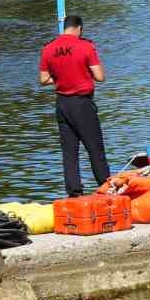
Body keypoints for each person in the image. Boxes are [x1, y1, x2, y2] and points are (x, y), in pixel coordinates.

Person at [39, 13, 110, 197]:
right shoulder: (85, 46)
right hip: (82, 104)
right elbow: (100, 77)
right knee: (95, 148)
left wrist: (62, 76)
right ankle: (106, 188)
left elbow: (43, 79)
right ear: (79, 28)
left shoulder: (48, 48)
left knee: (69, 152)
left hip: (62, 105)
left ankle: (74, 192)